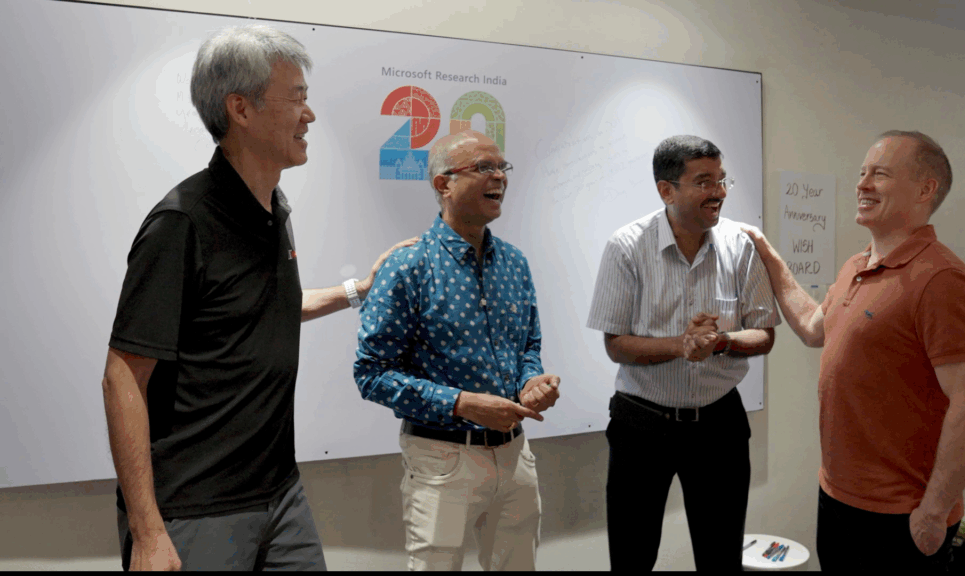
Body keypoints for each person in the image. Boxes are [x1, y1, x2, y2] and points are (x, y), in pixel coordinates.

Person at [102, 25, 413, 571]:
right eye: (296, 99)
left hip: (281, 493)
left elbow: (264, 310)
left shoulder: (275, 209)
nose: (309, 115)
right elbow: (122, 374)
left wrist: (358, 291)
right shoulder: (181, 223)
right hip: (196, 508)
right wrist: (149, 532)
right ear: (240, 109)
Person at [742, 131, 965, 570]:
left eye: (879, 174)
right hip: (838, 499)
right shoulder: (856, 266)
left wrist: (934, 511)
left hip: (900, 515)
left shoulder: (942, 280)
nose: (861, 184)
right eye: (862, 173)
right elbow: (813, 328)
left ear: (925, 189)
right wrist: (769, 256)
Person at [353, 130, 561, 571]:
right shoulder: (408, 266)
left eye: (502, 167)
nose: (499, 177)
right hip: (442, 461)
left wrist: (531, 383)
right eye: (484, 167)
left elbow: (528, 347)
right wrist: (462, 404)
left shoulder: (514, 263)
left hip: (516, 454)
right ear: (442, 184)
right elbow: (371, 374)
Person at [587, 135, 779, 571]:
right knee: (632, 558)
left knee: (721, 558)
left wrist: (721, 342)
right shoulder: (627, 247)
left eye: (722, 179)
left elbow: (764, 335)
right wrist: (682, 345)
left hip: (720, 425)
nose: (720, 193)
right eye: (704, 181)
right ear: (666, 190)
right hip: (642, 426)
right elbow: (615, 344)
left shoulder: (740, 245)